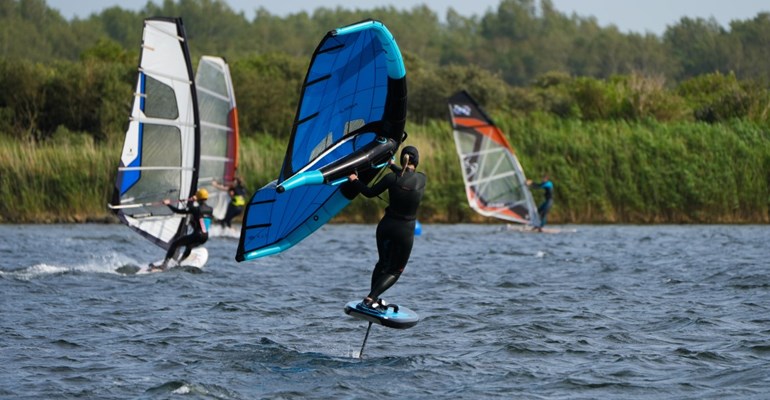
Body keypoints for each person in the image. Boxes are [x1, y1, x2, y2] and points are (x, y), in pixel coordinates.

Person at [347, 145, 426, 311]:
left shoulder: (391, 179)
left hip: (386, 226)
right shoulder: (422, 179)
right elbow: (407, 177)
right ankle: (370, 299)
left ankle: (373, 299)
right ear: (416, 161)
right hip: (404, 230)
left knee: (382, 263)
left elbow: (369, 192)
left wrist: (355, 180)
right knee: (395, 270)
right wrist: (393, 166)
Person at [151, 188, 213, 270]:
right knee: (189, 246)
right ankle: (179, 263)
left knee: (175, 244)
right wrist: (194, 201)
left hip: (197, 235)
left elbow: (178, 211)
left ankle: (164, 265)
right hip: (205, 237)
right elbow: (199, 216)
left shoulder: (196, 209)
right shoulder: (210, 209)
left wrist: (168, 204)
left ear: (197, 197)